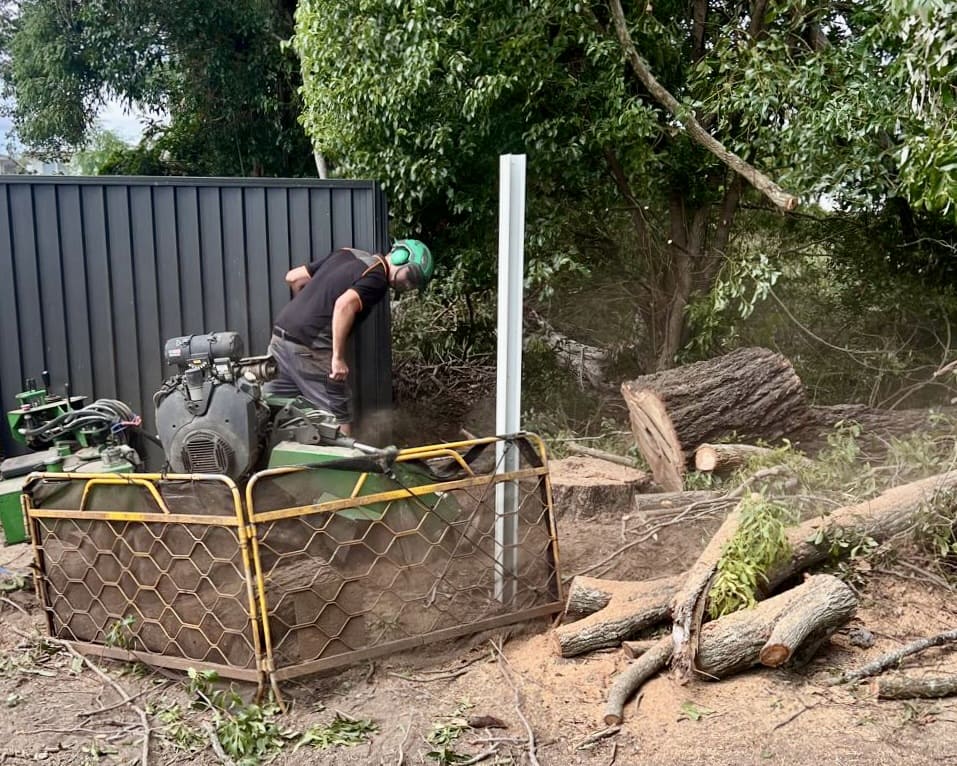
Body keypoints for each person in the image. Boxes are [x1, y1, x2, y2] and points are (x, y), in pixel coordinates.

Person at [264, 240, 433, 435]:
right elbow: (344, 305)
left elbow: (293, 277)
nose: (408, 284)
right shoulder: (377, 277)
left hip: (281, 337)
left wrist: (310, 310)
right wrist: (337, 358)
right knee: (337, 417)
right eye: (410, 276)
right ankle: (341, 464)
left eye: (413, 283)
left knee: (269, 408)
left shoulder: (346, 254)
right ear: (399, 256)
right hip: (310, 348)